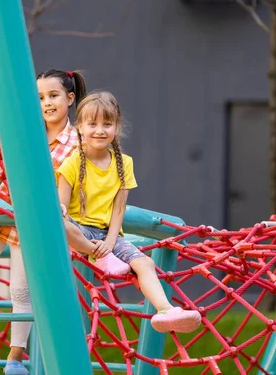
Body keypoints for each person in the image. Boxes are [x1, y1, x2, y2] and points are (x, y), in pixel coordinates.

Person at [0, 69, 96, 375]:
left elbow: (81, 180)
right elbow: (1, 166)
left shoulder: (78, 142)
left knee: (20, 291)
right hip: (3, 211)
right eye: (40, 98)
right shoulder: (30, 131)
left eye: (53, 96)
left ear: (69, 98)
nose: (47, 103)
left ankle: (15, 358)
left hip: (34, 220)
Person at [56, 91, 202, 334]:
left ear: (117, 126)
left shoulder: (124, 163)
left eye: (107, 124)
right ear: (80, 127)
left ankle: (165, 310)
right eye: (92, 124)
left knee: (144, 262)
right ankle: (99, 255)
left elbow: (119, 208)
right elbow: (61, 206)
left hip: (106, 234)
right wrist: (95, 247)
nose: (99, 130)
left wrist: (111, 241)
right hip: (78, 231)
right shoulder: (72, 163)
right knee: (58, 222)